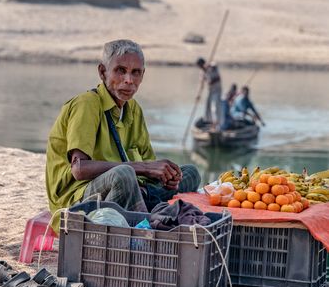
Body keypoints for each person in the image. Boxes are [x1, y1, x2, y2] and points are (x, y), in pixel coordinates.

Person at [46, 39, 201, 231]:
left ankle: (144, 209)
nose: (129, 80)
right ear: (103, 72)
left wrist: (166, 176)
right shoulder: (86, 104)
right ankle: (148, 229)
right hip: (77, 202)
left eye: (136, 72)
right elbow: (79, 169)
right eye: (120, 70)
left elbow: (147, 166)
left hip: (128, 188)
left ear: (142, 75)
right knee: (123, 174)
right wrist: (144, 168)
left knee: (190, 173)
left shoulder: (133, 109)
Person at [196, 57, 222, 127]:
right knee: (207, 107)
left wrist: (209, 66)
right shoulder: (202, 72)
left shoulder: (212, 67)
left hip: (217, 90)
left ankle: (216, 123)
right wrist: (198, 95)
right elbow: (201, 85)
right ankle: (209, 122)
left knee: (214, 107)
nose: (200, 67)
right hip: (210, 91)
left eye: (201, 66)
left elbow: (215, 64)